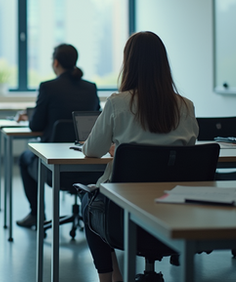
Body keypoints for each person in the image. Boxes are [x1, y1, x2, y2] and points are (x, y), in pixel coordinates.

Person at [81, 31, 198, 282]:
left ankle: (110, 278)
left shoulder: (117, 103)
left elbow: (91, 150)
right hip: (174, 209)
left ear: (129, 63)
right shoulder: (186, 106)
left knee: (88, 204)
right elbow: (188, 152)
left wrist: (118, 150)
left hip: (122, 215)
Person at [15, 44, 100, 229]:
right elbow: (98, 122)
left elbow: (35, 125)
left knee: (24, 158)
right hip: (89, 166)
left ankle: (36, 214)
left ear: (55, 63)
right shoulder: (91, 88)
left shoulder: (48, 87)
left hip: (54, 168)